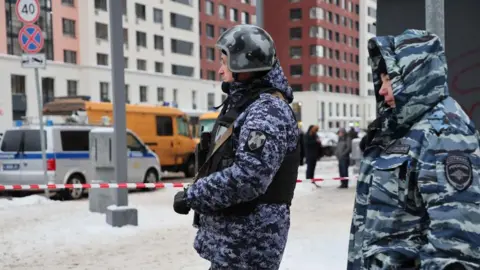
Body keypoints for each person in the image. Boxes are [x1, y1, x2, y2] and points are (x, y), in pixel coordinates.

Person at [347, 29, 480, 270]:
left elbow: (457, 242)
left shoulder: (444, 133)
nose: (382, 89)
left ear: (415, 75)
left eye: (390, 79)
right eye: (383, 79)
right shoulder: (404, 128)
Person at [172, 24, 300, 270]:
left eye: (224, 62)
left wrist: (193, 196)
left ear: (244, 65)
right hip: (236, 243)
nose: (220, 69)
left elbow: (249, 178)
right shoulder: (247, 104)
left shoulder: (267, 111)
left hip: (248, 246)